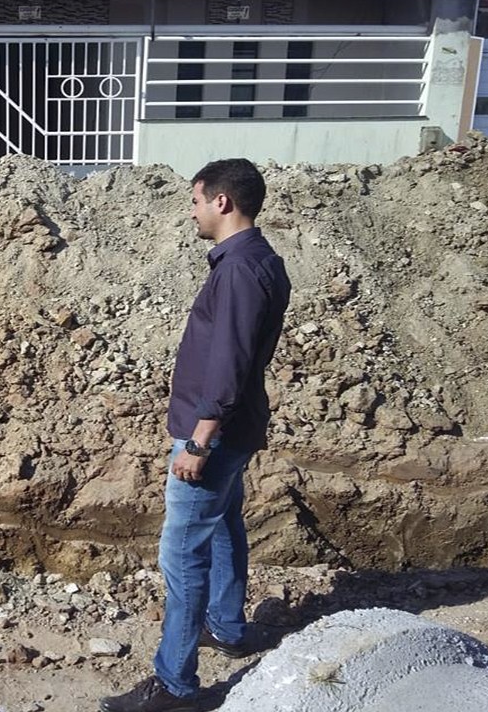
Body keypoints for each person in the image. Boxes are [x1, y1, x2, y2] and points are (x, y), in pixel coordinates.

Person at [100, 158, 291, 712]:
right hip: (234, 427)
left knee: (182, 554)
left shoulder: (237, 269)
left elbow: (228, 362)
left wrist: (199, 440)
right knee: (225, 524)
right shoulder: (259, 260)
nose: (192, 211)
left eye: (195, 200)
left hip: (212, 433)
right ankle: (228, 628)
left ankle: (176, 685)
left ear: (222, 202)